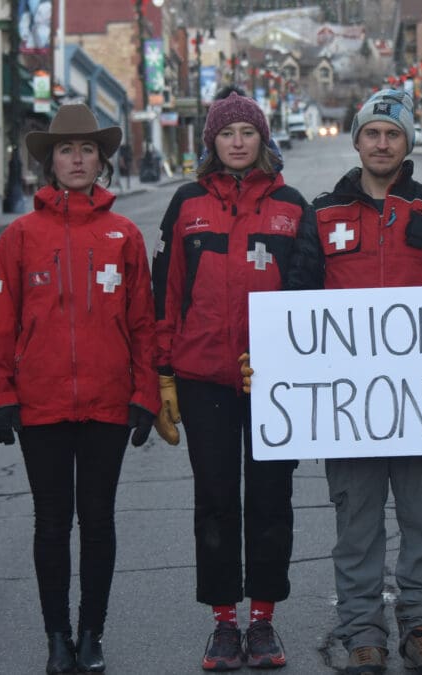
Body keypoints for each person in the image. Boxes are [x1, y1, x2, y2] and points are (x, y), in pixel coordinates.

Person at [286, 88, 422, 675]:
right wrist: (276, 365)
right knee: (357, 524)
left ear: (408, 142)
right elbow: (297, 305)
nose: (382, 142)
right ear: (357, 139)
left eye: (393, 133)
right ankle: (363, 630)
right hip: (348, 408)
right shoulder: (321, 215)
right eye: (372, 132)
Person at [0, 103, 159, 674]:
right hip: (41, 403)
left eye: (87, 150)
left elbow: (142, 325)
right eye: (66, 150)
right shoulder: (20, 236)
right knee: (52, 521)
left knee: (99, 520)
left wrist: (146, 395)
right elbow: (0, 322)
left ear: (102, 161)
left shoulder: (123, 234)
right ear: (50, 162)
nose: (77, 159)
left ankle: (91, 632)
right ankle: (56, 636)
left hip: (108, 402)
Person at [150, 92, 312, 671]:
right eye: (227, 133)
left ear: (262, 140)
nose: (238, 142)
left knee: (270, 499)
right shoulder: (187, 204)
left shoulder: (293, 207)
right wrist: (164, 371)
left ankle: (264, 619)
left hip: (276, 382)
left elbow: (311, 298)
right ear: (212, 143)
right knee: (215, 500)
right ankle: (223, 621)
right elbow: (166, 292)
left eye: (248, 131)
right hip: (203, 378)